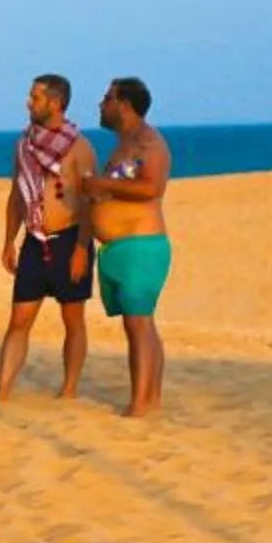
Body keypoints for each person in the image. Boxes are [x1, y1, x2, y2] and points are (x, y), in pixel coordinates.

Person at [65, 76, 171, 418]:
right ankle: (150, 398)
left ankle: (139, 403)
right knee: (141, 323)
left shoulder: (149, 143)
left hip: (140, 245)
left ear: (124, 105)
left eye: (107, 98)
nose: (101, 104)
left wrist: (101, 184)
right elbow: (122, 186)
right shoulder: (124, 144)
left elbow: (152, 187)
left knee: (138, 323)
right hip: (119, 249)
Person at [0, 73, 92, 399]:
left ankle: (69, 390)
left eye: (35, 98)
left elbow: (90, 202)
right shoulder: (23, 144)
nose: (28, 103)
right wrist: (9, 241)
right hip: (34, 242)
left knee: (73, 319)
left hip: (69, 240)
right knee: (19, 319)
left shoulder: (79, 147)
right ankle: (2, 389)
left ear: (55, 103)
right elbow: (16, 194)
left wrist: (81, 250)